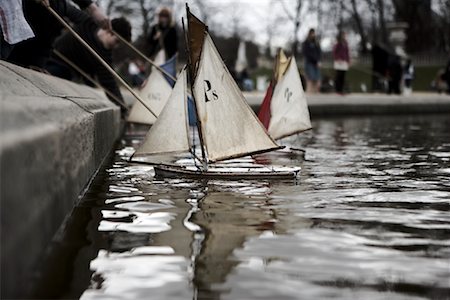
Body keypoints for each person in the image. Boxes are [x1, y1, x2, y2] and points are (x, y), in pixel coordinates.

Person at [46, 15, 131, 108]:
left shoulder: (104, 57)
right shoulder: (87, 23)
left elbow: (110, 84)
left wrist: (123, 107)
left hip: (65, 73)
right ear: (109, 31)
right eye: (117, 41)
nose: (116, 46)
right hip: (50, 54)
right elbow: (67, 12)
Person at [7, 0, 109, 69]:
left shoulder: (61, 7)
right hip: (12, 30)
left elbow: (47, 38)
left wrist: (92, 7)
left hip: (36, 51)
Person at [302, 28, 321, 93]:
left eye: (314, 33)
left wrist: (318, 61)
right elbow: (307, 53)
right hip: (309, 63)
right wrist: (315, 61)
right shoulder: (306, 43)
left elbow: (319, 52)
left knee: (317, 78)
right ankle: (309, 92)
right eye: (312, 33)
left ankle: (315, 92)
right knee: (310, 78)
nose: (313, 35)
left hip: (316, 63)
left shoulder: (316, 43)